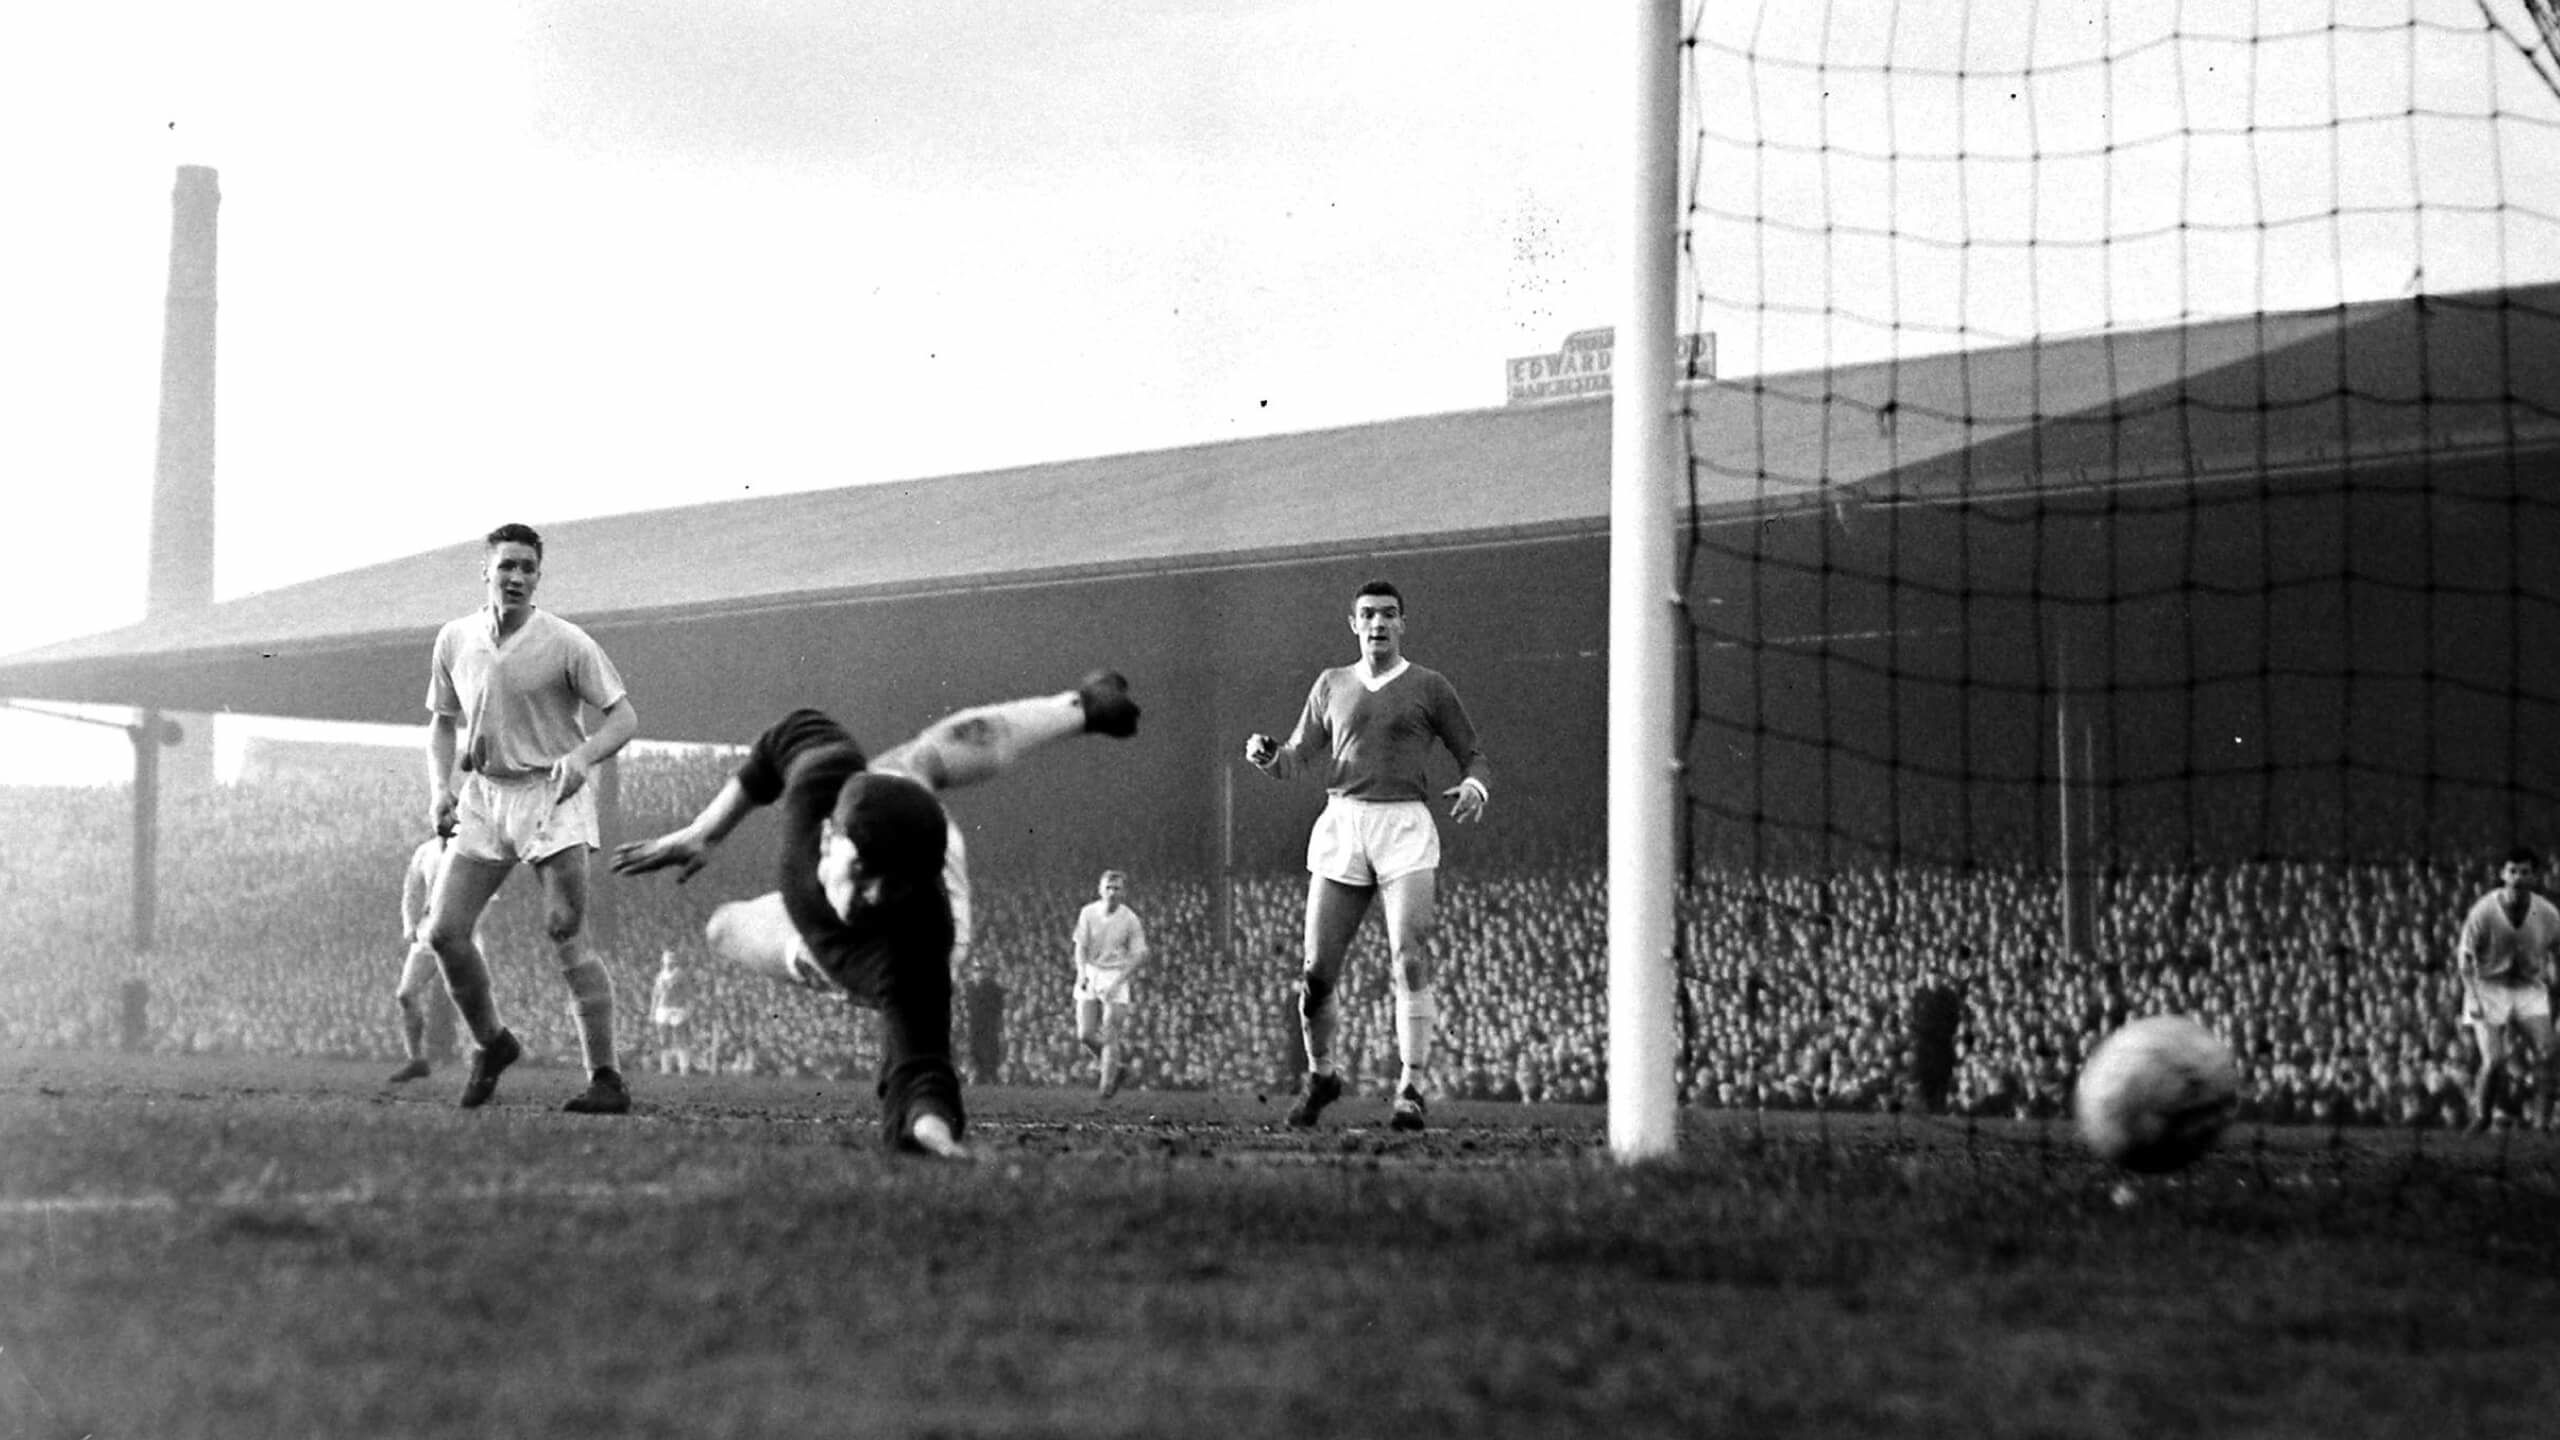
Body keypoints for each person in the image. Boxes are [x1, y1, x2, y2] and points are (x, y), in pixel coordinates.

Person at [610, 671, 1141, 1160]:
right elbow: (792, 732)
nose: (873, 894)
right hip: (858, 870)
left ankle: (834, 969)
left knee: (894, 995)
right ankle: (1083, 708)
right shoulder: (822, 787)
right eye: (862, 870)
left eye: (892, 881)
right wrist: (707, 829)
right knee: (723, 925)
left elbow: (924, 1061)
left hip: (885, 946)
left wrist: (930, 1128)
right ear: (827, 836)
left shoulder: (915, 939)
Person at [1244, 579, 1490, 1132]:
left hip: (1403, 823)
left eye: (1388, 615)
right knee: (1316, 975)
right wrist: (1267, 756)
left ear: (1403, 623)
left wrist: (1475, 787)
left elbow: (1472, 754)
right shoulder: (1331, 684)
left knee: (1409, 956)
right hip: (1343, 821)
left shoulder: (1429, 686)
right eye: (1368, 615)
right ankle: (1322, 1074)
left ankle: (1411, 1086)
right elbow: (1296, 757)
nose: (1378, 624)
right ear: (1353, 624)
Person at [422, 522, 641, 1114]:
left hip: (551, 793)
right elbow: (443, 721)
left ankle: (606, 1079)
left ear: (538, 577)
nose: (516, 576)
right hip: (485, 797)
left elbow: (623, 718)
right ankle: (492, 1044)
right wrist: (441, 788)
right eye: (507, 566)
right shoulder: (454, 639)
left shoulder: (567, 642)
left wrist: (582, 755)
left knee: (565, 926)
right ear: (486, 571)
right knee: (443, 934)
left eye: (527, 568)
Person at [2453, 845, 2560, 1132]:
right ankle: (2483, 1116)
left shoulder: (2548, 914)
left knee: (2548, 1051)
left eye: (2525, 872)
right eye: (2512, 871)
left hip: (2528, 989)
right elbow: (2465, 958)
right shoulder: (2484, 911)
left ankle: (2542, 1123)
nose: (2518, 877)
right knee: (2495, 1059)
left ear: (2534, 877)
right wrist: (2472, 996)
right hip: (2487, 987)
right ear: (2503, 874)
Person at [386, 834, 464, 1082]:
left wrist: (468, 931)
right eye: (440, 812)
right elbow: (410, 888)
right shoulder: (425, 851)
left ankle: (479, 1061)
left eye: (450, 811)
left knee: (467, 998)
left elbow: (488, 899)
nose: (445, 817)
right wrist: (409, 925)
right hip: (428, 932)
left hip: (461, 933)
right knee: (406, 994)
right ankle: (416, 1060)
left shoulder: (469, 848)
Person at [1071, 868, 1150, 1098]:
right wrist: (1082, 973)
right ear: (1100, 890)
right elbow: (1080, 946)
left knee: (1110, 1032)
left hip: (1116, 974)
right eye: (1108, 888)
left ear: (1123, 892)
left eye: (1117, 888)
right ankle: (1115, 1067)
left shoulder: (1130, 919)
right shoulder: (1088, 913)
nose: (1112, 892)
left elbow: (1140, 954)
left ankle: (1105, 1090)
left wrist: (1119, 980)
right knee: (1085, 1034)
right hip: (1091, 971)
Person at [648, 949, 697, 1076]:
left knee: (681, 1038)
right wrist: (652, 1011)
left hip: (677, 1008)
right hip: (663, 1008)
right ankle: (666, 1068)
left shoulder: (681, 975)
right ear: (663, 962)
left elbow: (689, 994)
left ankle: (684, 1068)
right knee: (664, 1040)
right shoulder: (659, 976)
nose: (669, 964)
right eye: (666, 961)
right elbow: (656, 994)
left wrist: (689, 1009)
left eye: (671, 961)